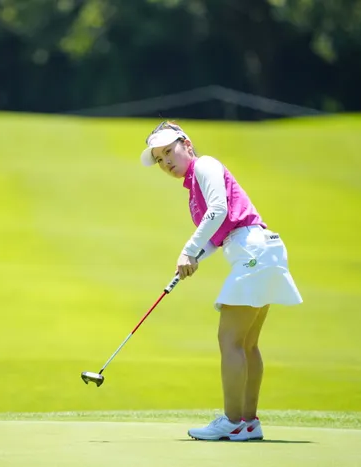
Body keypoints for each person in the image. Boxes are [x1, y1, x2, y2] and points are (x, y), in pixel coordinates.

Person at [139, 121, 303, 441]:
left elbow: (218, 210)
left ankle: (231, 421)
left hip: (253, 251)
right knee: (246, 343)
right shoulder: (194, 187)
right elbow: (218, 234)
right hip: (260, 250)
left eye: (169, 151)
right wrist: (194, 259)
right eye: (159, 159)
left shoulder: (205, 165)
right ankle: (248, 422)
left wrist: (188, 250)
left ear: (187, 144)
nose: (165, 162)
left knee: (229, 340)